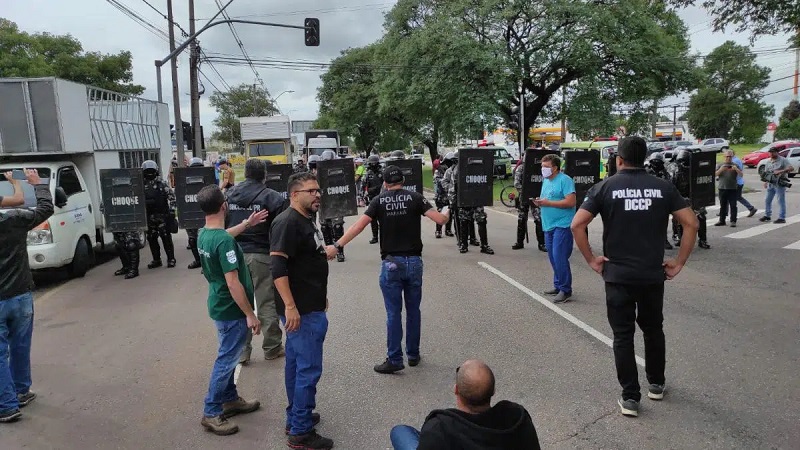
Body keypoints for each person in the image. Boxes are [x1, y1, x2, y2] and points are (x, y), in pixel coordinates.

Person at [571, 136, 699, 418]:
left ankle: (630, 397)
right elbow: (691, 222)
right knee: (653, 329)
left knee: (623, 336)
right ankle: (656, 383)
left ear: (618, 159)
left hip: (617, 275)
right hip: (652, 276)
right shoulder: (663, 187)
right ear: (644, 159)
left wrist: (592, 259)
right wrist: (679, 262)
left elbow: (577, 224)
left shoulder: (604, 187)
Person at [332, 166, 449, 374]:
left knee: (393, 313)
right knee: (413, 310)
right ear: (403, 180)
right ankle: (413, 354)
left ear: (385, 183)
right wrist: (447, 212)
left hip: (391, 263)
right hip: (413, 261)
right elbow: (439, 219)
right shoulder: (415, 198)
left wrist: (337, 246)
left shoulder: (379, 201)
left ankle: (395, 358)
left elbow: (358, 226)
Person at [270, 172, 336, 450]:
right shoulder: (287, 222)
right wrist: (290, 306)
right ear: (294, 195)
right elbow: (278, 267)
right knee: (307, 369)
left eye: (318, 190)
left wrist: (321, 295)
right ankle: (300, 432)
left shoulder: (306, 219)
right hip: (302, 311)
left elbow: (309, 258)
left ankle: (297, 415)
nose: (317, 194)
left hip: (310, 304)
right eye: (311, 191)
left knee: (296, 366)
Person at [195, 185, 267, 436]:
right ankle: (212, 411)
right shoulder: (222, 240)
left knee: (228, 355)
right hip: (231, 309)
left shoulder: (204, 234)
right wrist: (250, 314)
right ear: (224, 206)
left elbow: (223, 237)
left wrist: (247, 224)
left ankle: (230, 398)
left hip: (218, 304)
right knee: (226, 360)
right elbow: (233, 282)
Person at [389, 359, 541, 450]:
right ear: (493, 391)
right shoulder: (517, 419)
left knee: (400, 432)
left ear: (456, 390)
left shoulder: (440, 429)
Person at [0, 169, 53, 423]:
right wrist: (37, 184)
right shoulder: (14, 220)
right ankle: (21, 391)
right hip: (20, 295)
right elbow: (45, 209)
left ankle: (7, 406)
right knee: (20, 346)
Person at [225, 159, 287, 364]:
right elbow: (280, 229)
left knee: (240, 303)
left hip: (235, 254)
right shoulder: (273, 197)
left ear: (246, 173)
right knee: (266, 301)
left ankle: (242, 352)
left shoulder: (230, 194)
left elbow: (224, 222)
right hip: (262, 254)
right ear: (265, 175)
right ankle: (272, 347)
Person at [534, 154, 576, 304]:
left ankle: (566, 289)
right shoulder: (546, 181)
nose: (543, 170)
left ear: (555, 168)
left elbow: (571, 202)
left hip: (562, 224)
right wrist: (540, 202)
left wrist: (548, 203)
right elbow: (547, 199)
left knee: (559, 256)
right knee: (552, 257)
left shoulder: (565, 180)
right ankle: (558, 285)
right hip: (548, 224)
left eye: (546, 167)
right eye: (542, 167)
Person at [442, 154, 494, 254]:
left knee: (481, 220)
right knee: (464, 221)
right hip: (464, 200)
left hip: (477, 199)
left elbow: (485, 181)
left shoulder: (478, 168)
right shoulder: (457, 170)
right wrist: (452, 201)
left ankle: (484, 245)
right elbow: (453, 186)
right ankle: (463, 244)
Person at [667, 150, 710, 249]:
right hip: (681, 198)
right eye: (682, 162)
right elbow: (672, 188)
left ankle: (703, 239)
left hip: (696, 198)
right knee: (679, 219)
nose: (684, 165)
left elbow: (703, 184)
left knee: (701, 217)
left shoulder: (697, 171)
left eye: (686, 162)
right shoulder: (675, 173)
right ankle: (681, 238)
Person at [142, 160, 177, 269]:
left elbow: (172, 198)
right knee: (151, 239)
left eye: (151, 171)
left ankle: (171, 259)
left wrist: (172, 211)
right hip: (149, 217)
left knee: (166, 238)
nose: (149, 173)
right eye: (147, 171)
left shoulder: (162, 184)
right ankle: (156, 260)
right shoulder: (140, 185)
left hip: (162, 216)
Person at [512, 155, 547, 252]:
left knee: (538, 219)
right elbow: (516, 183)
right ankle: (519, 242)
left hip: (536, 197)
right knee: (522, 218)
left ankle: (542, 243)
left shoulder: (539, 169)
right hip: (523, 197)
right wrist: (525, 192)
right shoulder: (521, 168)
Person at [644, 153, 674, 250]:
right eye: (654, 162)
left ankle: (664, 240)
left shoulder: (665, 173)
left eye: (659, 162)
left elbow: (669, 184)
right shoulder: (646, 172)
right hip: (648, 200)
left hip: (660, 200)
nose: (656, 164)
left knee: (662, 222)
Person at [759, 147, 794, 223]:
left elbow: (791, 168)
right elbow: (767, 173)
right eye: (770, 152)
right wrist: (765, 182)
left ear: (777, 152)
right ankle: (767, 215)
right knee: (767, 200)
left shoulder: (783, 160)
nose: (771, 154)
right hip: (770, 183)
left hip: (780, 183)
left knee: (780, 200)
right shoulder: (768, 162)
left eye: (773, 152)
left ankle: (782, 217)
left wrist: (781, 170)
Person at [185, 157, 206, 269]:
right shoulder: (185, 179)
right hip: (191, 213)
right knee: (192, 240)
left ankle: (206, 264)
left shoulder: (208, 177)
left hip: (205, 213)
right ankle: (198, 261)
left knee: (205, 240)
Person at [714, 151, 741, 227]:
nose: (728, 158)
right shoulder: (720, 165)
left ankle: (733, 221)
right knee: (723, 205)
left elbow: (741, 175)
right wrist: (721, 169)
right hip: (722, 188)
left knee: (733, 205)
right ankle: (722, 220)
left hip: (732, 188)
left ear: (732, 157)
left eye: (730, 157)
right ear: (724, 157)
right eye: (727, 156)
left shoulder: (735, 165)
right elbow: (715, 174)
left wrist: (736, 169)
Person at [363, 154, 384, 244]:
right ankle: (375, 236)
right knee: (373, 219)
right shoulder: (368, 173)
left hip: (382, 196)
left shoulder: (382, 172)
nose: (373, 165)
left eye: (374, 163)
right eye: (371, 163)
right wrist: (364, 196)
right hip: (372, 197)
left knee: (383, 218)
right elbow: (364, 186)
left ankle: (384, 236)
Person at [433, 153, 455, 239]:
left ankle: (448, 230)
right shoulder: (439, 169)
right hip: (441, 195)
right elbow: (437, 180)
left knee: (450, 213)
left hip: (450, 195)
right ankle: (438, 231)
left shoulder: (453, 169)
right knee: (441, 213)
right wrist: (446, 182)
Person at [730, 150, 757, 218]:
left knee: (736, 197)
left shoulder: (734, 161)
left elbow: (732, 171)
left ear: (733, 154)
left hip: (737, 182)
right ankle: (723, 211)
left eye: (729, 155)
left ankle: (751, 208)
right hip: (738, 182)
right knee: (734, 197)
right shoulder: (737, 159)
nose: (727, 156)